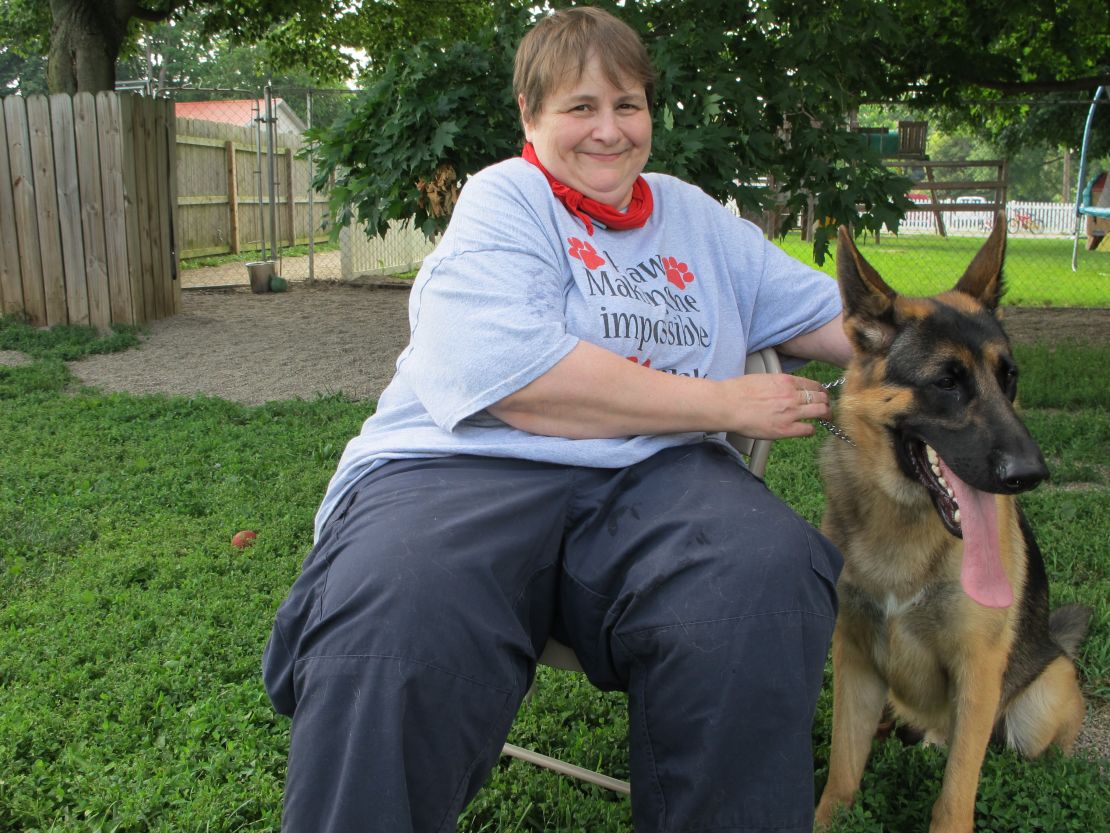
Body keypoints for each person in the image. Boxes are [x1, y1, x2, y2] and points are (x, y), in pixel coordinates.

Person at [263, 6, 853, 832]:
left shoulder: (696, 217)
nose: (608, 130)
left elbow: (843, 318)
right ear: (530, 117)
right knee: (400, 607)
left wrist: (945, 331)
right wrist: (721, 403)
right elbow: (519, 379)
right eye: (580, 107)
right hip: (460, 463)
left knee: (761, 574)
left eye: (628, 105)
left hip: (658, 478)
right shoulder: (506, 198)